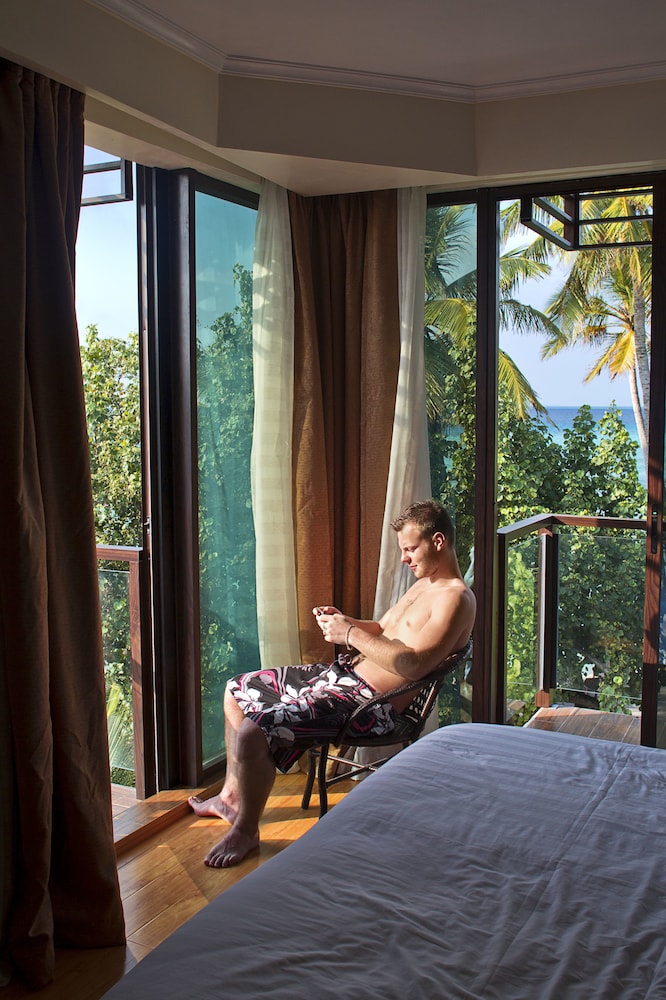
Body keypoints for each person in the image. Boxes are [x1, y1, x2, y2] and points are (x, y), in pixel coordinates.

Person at [188, 499, 476, 868]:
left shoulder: (455, 598)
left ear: (437, 541)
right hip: (341, 679)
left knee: (252, 732)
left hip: (369, 706)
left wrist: (350, 635)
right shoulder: (425, 584)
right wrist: (345, 622)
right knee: (235, 690)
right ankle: (231, 798)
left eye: (410, 549)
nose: (404, 558)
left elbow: (414, 664)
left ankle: (246, 830)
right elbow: (382, 629)